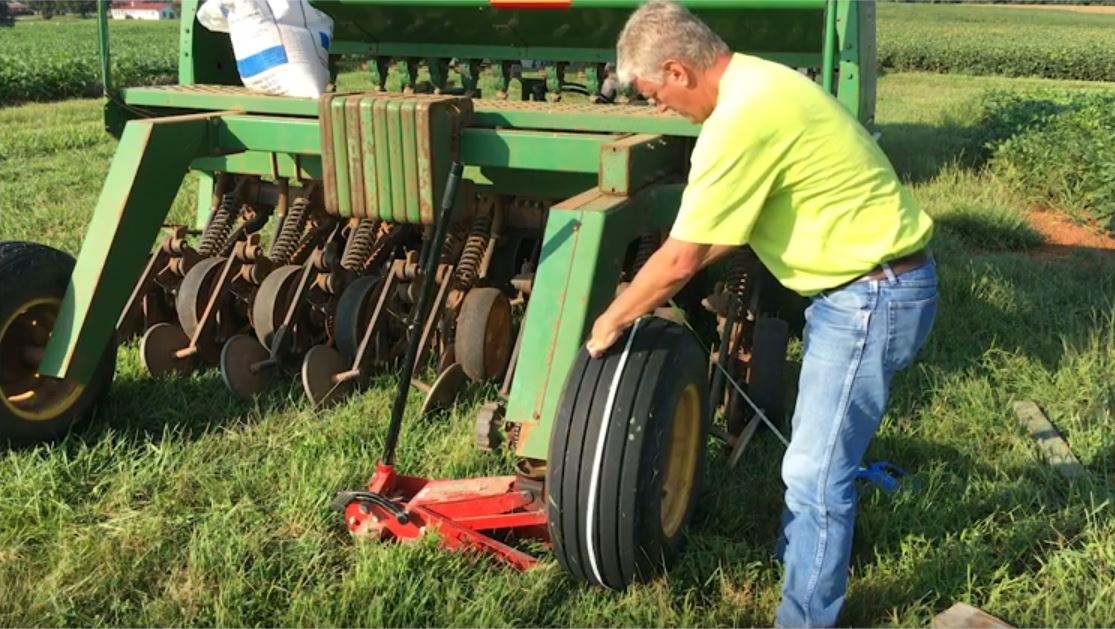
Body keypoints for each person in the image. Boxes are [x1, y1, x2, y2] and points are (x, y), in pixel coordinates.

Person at [584, 1, 939, 626]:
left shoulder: (741, 119)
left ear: (677, 69)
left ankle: (804, 618)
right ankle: (798, 554)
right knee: (816, 448)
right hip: (862, 289)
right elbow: (726, 230)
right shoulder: (760, 81)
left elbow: (681, 259)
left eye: (653, 94)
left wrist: (611, 318)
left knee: (814, 473)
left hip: (871, 296)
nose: (659, 108)